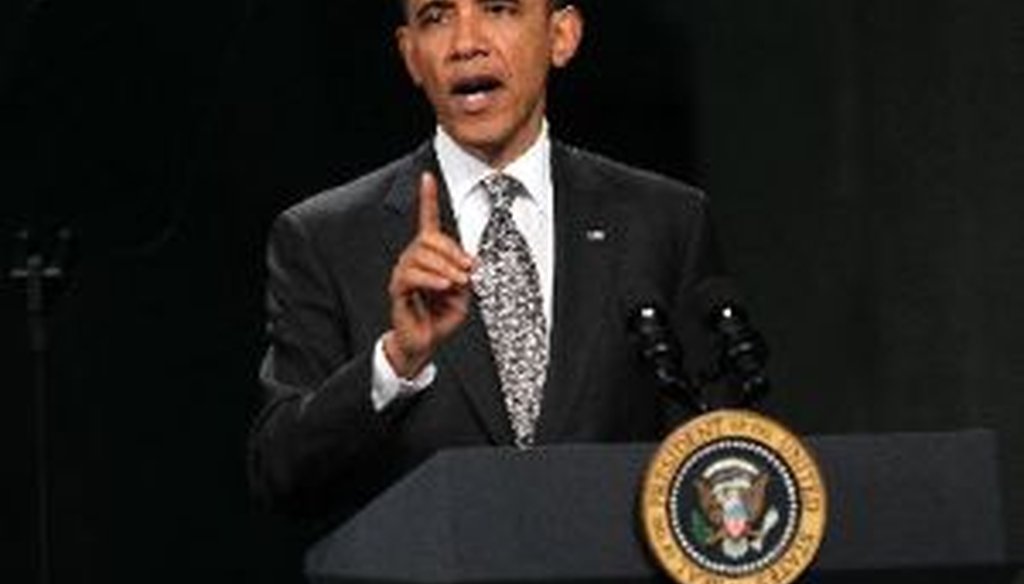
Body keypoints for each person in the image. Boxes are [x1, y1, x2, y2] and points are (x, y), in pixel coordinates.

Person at [248, 0, 723, 521]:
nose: (465, 42)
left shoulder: (664, 222)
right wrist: (396, 362)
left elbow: (717, 462)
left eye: (499, 9)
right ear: (410, 56)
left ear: (561, 35)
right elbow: (278, 470)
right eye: (436, 17)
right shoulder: (325, 238)